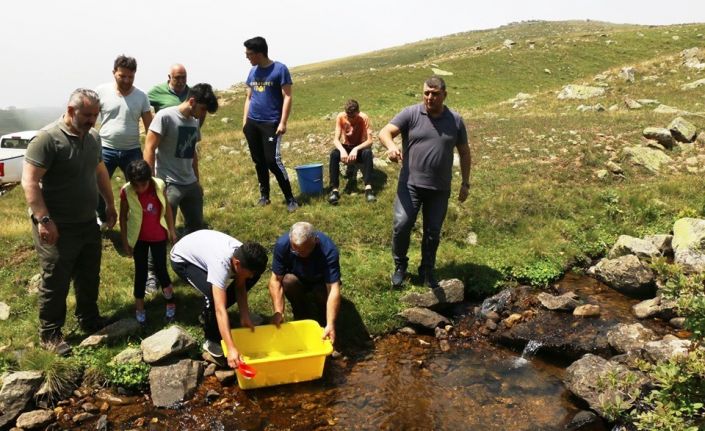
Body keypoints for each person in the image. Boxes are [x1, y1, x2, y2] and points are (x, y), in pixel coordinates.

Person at [21, 88, 116, 355]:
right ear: (71, 110)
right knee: (56, 279)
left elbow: (100, 172)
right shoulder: (47, 139)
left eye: (95, 115)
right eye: (87, 115)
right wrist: (44, 220)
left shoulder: (93, 137)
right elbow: (29, 181)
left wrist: (109, 203)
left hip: (87, 222)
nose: (91, 120)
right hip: (57, 225)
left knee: (89, 274)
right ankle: (50, 334)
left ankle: (89, 319)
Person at [378, 76, 472, 289]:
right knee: (402, 225)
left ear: (444, 95)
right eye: (426, 93)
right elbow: (385, 132)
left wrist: (465, 183)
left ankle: (427, 270)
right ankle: (400, 266)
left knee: (433, 232)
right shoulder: (411, 113)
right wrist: (391, 147)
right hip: (410, 184)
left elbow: (464, 152)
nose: (429, 97)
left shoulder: (455, 120)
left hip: (440, 188)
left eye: (435, 94)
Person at [170, 230, 267, 369]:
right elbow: (220, 309)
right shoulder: (220, 264)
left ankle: (217, 320)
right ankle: (211, 338)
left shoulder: (243, 256)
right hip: (182, 259)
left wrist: (245, 316)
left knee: (248, 279)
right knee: (212, 297)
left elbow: (240, 287)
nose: (251, 276)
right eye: (249, 272)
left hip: (203, 247)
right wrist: (231, 348)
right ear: (237, 264)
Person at [144, 83, 218, 235]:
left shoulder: (194, 121)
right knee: (163, 229)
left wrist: (197, 181)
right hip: (168, 183)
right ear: (192, 101)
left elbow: (192, 152)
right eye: (203, 109)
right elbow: (149, 148)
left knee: (196, 228)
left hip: (190, 182)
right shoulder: (165, 116)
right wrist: (151, 181)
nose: (203, 113)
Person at [95, 55, 153, 226]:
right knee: (97, 187)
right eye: (123, 76)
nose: (127, 80)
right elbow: (90, 117)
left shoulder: (141, 96)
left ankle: (136, 221)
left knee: (139, 187)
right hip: (106, 149)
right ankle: (103, 218)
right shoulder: (101, 91)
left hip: (132, 150)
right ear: (114, 73)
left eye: (131, 76)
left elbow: (149, 126)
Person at [242, 36, 298, 212]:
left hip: (271, 123)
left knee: (272, 161)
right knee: (258, 161)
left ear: (259, 53)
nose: (247, 57)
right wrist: (245, 123)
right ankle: (264, 196)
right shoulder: (252, 72)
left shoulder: (279, 69)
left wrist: (283, 122)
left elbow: (287, 96)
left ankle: (290, 198)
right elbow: (248, 97)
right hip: (253, 123)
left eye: (249, 54)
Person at [119, 159, 177, 325]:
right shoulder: (127, 191)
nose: (139, 189)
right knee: (141, 271)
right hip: (139, 238)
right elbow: (123, 216)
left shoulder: (158, 186)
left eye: (142, 185)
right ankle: (140, 308)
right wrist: (125, 240)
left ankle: (171, 302)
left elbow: (168, 209)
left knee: (161, 269)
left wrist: (171, 230)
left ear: (149, 180)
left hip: (158, 235)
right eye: (135, 185)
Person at [268, 222, 341, 345]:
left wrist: (331, 323)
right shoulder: (282, 245)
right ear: (290, 240)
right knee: (288, 281)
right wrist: (278, 312)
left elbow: (333, 287)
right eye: (296, 250)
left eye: (305, 250)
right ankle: (301, 313)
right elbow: (275, 280)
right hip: (297, 278)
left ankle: (324, 321)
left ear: (315, 241)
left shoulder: (328, 250)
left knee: (321, 293)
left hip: (320, 281)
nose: (300, 254)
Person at [328, 99, 376, 205]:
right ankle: (334, 190)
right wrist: (342, 150)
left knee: (368, 153)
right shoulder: (341, 117)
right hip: (346, 146)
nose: (350, 119)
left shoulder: (364, 118)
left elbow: (370, 141)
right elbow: (336, 139)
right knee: (334, 154)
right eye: (348, 116)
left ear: (358, 112)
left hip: (360, 147)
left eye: (353, 116)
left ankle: (368, 189)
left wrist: (356, 149)